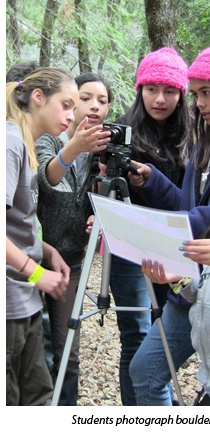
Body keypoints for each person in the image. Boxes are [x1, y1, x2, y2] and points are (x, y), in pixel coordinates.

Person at [128, 44, 210, 405]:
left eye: (205, 92)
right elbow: (190, 207)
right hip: (188, 282)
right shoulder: (204, 142)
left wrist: (161, 227)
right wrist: (153, 181)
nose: (198, 103)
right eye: (195, 93)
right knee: (146, 371)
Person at [96, 47, 191, 406]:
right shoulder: (122, 131)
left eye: (169, 90)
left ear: (182, 94)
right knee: (135, 334)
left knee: (165, 334)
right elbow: (97, 188)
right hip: (127, 244)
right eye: (151, 89)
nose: (160, 99)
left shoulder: (194, 136)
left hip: (173, 243)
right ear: (139, 89)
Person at [35, 72, 113, 405]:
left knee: (69, 352)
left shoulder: (103, 153)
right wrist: (73, 148)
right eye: (85, 98)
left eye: (103, 100)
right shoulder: (49, 139)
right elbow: (47, 176)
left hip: (74, 264)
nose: (94, 106)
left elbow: (103, 203)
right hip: (34, 260)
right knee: (35, 352)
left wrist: (103, 211)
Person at [6, 68, 74, 405]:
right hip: (9, 303)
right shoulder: (10, 142)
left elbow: (15, 224)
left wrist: (46, 251)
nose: (72, 115)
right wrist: (37, 274)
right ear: (37, 98)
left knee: (38, 398)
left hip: (25, 299)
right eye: (66, 105)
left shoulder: (25, 143)